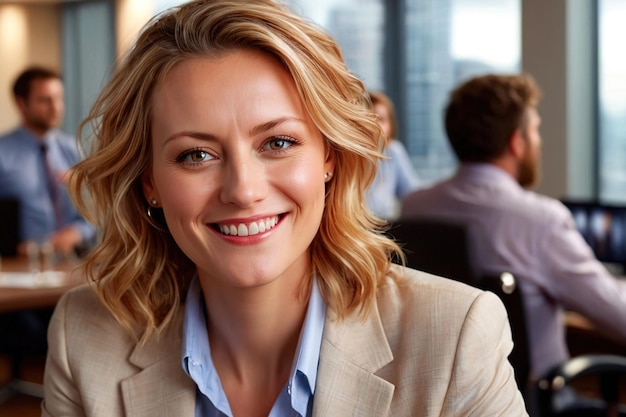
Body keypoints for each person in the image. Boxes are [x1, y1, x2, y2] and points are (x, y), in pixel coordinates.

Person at [42, 2, 528, 416]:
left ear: (329, 159)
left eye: (277, 142)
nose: (243, 190)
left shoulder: (456, 335)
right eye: (196, 154)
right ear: (150, 182)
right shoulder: (84, 337)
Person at [401, 73, 626, 380]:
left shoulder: (415, 207)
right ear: (516, 143)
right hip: (527, 401)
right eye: (535, 131)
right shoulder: (541, 221)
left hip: (438, 396)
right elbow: (617, 314)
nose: (539, 141)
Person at [0, 66, 95, 257]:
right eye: (45, 100)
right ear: (21, 104)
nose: (55, 107)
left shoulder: (71, 149)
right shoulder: (3, 153)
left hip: (74, 263)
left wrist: (78, 232)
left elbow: (95, 214)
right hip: (22, 268)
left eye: (59, 98)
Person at [365, 91, 420, 219]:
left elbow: (412, 195)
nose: (375, 126)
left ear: (390, 125)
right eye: (369, 118)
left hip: (386, 229)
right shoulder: (347, 156)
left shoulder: (393, 151)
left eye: (381, 119)